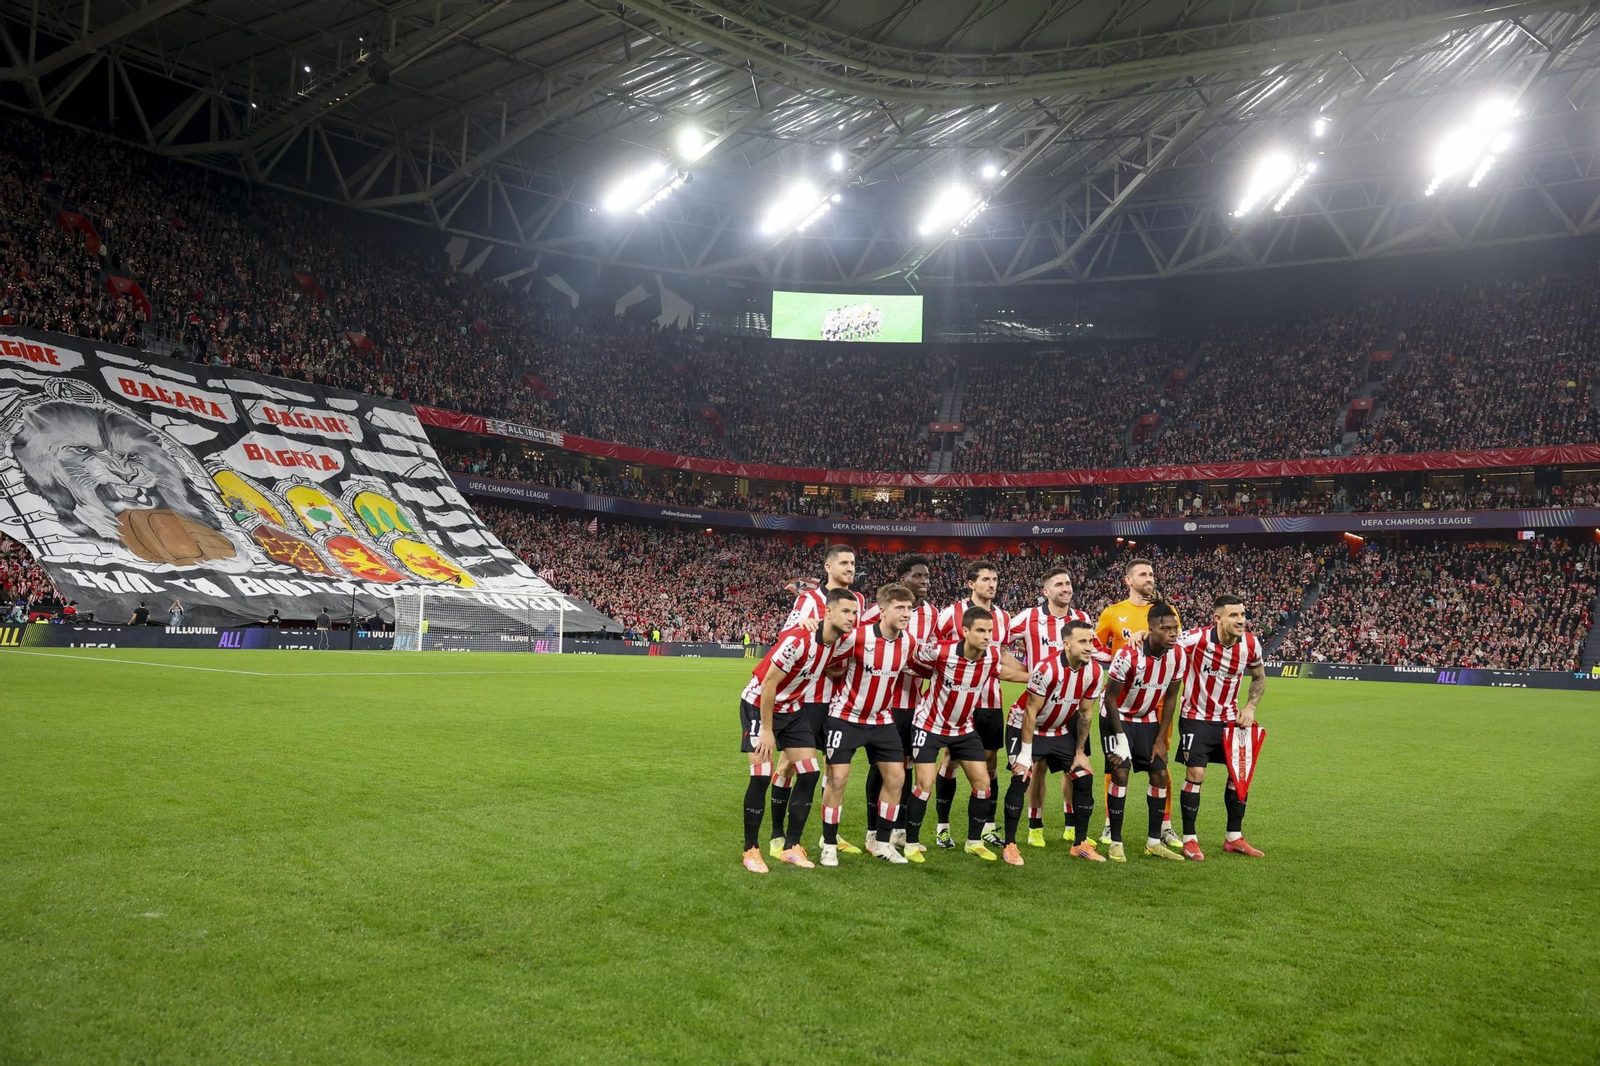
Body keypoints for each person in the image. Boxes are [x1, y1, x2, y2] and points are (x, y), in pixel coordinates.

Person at [738, 587, 859, 873]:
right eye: (845, 611)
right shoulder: (798, 639)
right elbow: (768, 685)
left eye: (854, 612)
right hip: (759, 705)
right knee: (761, 776)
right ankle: (751, 850)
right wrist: (767, 730)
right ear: (827, 612)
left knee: (810, 772)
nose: (852, 617)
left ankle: (791, 847)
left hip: (792, 709)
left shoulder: (835, 642)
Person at [904, 607, 1030, 861]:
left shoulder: (991, 655)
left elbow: (1002, 672)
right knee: (924, 783)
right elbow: (909, 657)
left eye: (990, 631)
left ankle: (973, 841)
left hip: (963, 729)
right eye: (981, 631)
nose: (987, 636)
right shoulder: (941, 650)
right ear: (965, 632)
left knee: (983, 784)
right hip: (929, 725)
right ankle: (911, 843)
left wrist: (1033, 678)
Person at [769, 544, 867, 857]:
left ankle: (829, 838)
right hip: (807, 697)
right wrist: (803, 626)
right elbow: (785, 637)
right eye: (843, 563)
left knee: (834, 768)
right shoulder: (809, 599)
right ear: (827, 567)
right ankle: (776, 834)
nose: (850, 567)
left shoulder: (859, 601)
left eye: (853, 562)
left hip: (840, 698)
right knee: (789, 764)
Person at [818, 583, 921, 867]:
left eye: (909, 608)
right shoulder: (856, 637)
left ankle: (882, 844)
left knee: (897, 779)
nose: (905, 613)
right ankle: (828, 844)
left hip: (881, 719)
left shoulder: (908, 642)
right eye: (899, 608)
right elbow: (826, 657)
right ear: (883, 610)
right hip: (846, 717)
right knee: (837, 780)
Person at [1010, 566, 1107, 847]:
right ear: (1046, 591)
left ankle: (1071, 824)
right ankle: (1035, 826)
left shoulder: (1082, 618)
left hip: (1072, 709)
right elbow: (999, 644)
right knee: (1036, 768)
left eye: (1068, 584)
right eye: (1059, 585)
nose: (1066, 588)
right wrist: (1028, 672)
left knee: (1073, 768)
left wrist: (1129, 649)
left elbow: (1097, 650)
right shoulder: (1028, 617)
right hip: (1041, 705)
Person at [932, 560, 1023, 850]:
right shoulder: (951, 614)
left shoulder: (1004, 617)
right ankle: (942, 827)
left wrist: (1031, 673)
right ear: (971, 583)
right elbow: (936, 651)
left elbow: (1003, 656)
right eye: (985, 579)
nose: (992, 584)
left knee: (990, 762)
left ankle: (986, 827)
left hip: (990, 701)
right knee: (952, 760)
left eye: (995, 579)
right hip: (957, 700)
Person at [1095, 557, 1182, 848]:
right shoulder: (1113, 613)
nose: (1150, 578)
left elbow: (1173, 643)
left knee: (1161, 763)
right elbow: (1094, 645)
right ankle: (1110, 824)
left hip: (1154, 704)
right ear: (1128, 580)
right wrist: (1115, 658)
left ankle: (1165, 826)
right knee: (1117, 763)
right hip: (1123, 698)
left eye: (1152, 574)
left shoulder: (1166, 612)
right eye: (1143, 574)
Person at [1175, 593, 1268, 860]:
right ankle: (1190, 839)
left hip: (1230, 720)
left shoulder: (1251, 644)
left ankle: (1234, 838)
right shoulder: (1196, 639)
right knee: (1196, 774)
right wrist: (1139, 637)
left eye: (1243, 614)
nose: (1241, 620)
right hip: (1196, 717)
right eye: (1234, 615)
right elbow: (1165, 642)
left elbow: (1259, 678)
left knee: (1238, 777)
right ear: (1217, 618)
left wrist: (1249, 708)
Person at [860, 554, 935, 853]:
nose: (924, 582)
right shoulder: (876, 612)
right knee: (882, 769)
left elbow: (932, 653)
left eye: (927, 577)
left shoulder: (932, 614)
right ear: (902, 579)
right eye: (918, 576)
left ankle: (899, 832)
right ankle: (871, 832)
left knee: (905, 768)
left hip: (915, 705)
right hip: (884, 704)